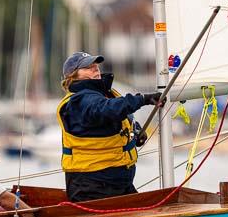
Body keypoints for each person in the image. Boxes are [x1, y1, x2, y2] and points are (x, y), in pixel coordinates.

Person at [56, 52, 164, 202]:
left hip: (116, 183)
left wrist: (135, 131)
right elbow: (107, 109)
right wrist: (142, 99)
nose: (95, 69)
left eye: (95, 65)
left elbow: (114, 120)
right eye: (88, 67)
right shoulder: (78, 101)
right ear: (73, 76)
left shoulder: (103, 93)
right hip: (92, 186)